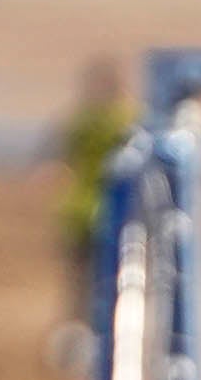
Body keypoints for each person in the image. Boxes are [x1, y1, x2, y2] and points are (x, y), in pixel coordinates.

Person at [45, 54, 138, 355]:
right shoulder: (129, 120)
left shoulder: (81, 120)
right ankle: (100, 344)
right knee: (109, 284)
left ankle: (73, 345)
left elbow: (57, 151)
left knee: (79, 287)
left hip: (79, 211)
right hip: (113, 214)